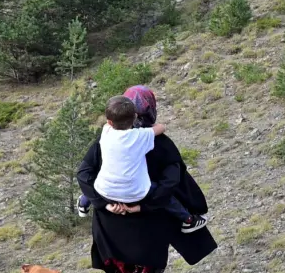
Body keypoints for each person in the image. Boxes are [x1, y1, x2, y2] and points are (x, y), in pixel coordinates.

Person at [76, 85, 216, 273]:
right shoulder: (159, 144)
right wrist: (142, 206)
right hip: (148, 229)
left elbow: (84, 174)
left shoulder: (106, 140)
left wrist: (102, 203)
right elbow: (172, 182)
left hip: (109, 228)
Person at [83, 94, 206, 234]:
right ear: (135, 117)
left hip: (106, 192)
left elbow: (110, 124)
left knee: (96, 174)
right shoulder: (141, 136)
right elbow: (161, 128)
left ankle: (84, 201)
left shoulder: (105, 133)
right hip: (137, 193)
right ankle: (188, 220)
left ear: (109, 122)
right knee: (165, 196)